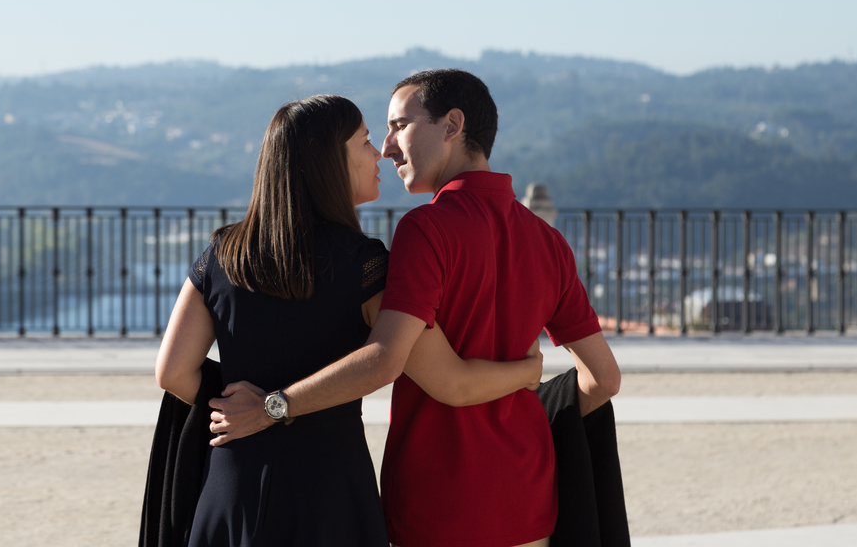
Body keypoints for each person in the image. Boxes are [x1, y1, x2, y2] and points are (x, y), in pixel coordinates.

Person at [209, 70, 622, 547]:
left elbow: (393, 359)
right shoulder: (549, 241)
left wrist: (270, 407)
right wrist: (530, 393)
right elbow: (603, 380)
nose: (386, 147)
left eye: (399, 125)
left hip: (438, 504)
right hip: (530, 501)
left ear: (452, 126)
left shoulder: (426, 230)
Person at [154, 94, 543, 547]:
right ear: (327, 162)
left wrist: (247, 402)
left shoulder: (222, 253)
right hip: (328, 489)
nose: (379, 152)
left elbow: (174, 372)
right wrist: (528, 371)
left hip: (232, 485)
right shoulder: (365, 264)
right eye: (363, 142)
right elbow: (433, 375)